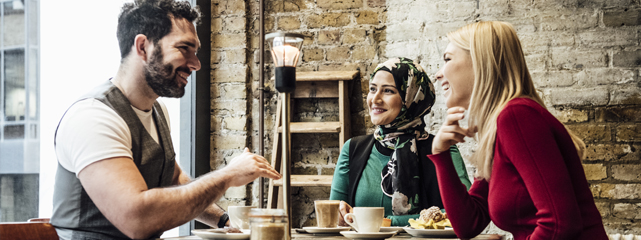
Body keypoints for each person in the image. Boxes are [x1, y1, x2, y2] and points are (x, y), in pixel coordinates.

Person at [51, 1, 281, 239]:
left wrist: (224, 221)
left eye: (196, 52)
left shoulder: (157, 111)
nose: (196, 64)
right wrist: (228, 175)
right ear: (142, 47)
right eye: (184, 48)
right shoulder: (94, 117)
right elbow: (138, 219)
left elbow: (176, 182)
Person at [428, 21, 608, 240]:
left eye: (447, 59)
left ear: (481, 62)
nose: (438, 74)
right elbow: (469, 223)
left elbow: (560, 225)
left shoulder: (516, 116)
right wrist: (440, 153)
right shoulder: (498, 126)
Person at [330, 57, 471, 227]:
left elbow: (464, 212)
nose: (375, 99)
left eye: (388, 91)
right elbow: (336, 214)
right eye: (373, 89)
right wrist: (339, 214)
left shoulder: (442, 150)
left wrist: (388, 222)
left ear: (412, 97)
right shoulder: (353, 149)